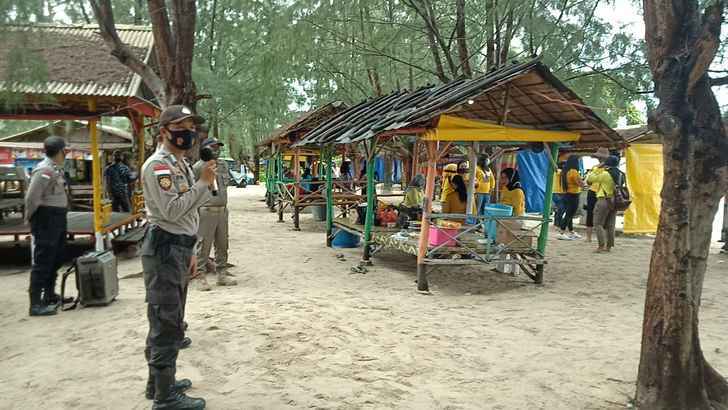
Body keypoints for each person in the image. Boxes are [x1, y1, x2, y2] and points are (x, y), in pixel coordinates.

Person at [140, 105, 212, 409]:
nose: (188, 131)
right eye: (181, 125)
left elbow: (188, 215)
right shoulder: (158, 166)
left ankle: (158, 383)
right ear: (164, 132)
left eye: (190, 125)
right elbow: (171, 210)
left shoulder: (180, 163)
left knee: (170, 317)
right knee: (166, 321)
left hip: (179, 248)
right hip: (165, 248)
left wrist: (192, 251)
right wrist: (203, 184)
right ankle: (165, 397)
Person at [25, 136, 69, 316]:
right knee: (43, 260)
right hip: (46, 219)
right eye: (64, 150)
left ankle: (50, 294)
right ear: (60, 151)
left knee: (56, 257)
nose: (65, 153)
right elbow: (31, 198)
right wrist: (30, 218)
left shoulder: (55, 169)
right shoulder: (44, 170)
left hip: (57, 218)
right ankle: (35, 303)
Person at [192, 138, 237, 291]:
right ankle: (200, 276)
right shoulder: (198, 167)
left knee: (223, 243)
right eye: (212, 147)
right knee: (203, 245)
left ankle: (222, 273)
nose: (216, 150)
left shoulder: (223, 165)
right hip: (206, 210)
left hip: (222, 210)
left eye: (218, 147)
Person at [587, 155, 619, 253]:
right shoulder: (621, 173)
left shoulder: (606, 174)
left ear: (607, 164)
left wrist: (597, 168)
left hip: (604, 200)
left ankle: (601, 246)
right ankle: (608, 246)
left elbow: (591, 178)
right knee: (610, 224)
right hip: (615, 201)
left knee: (598, 223)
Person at [584, 148, 610, 243]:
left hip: (597, 192)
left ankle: (589, 237)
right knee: (597, 214)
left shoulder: (597, 168)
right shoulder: (601, 168)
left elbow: (589, 181)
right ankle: (592, 237)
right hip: (599, 192)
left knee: (593, 214)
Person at [557, 156, 583, 240]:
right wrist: (585, 182)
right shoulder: (574, 172)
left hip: (566, 194)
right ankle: (561, 231)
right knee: (570, 214)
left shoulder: (565, 171)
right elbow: (580, 183)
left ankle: (571, 231)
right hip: (574, 194)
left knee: (569, 213)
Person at [552, 161, 566, 229]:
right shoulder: (559, 171)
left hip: (560, 192)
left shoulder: (561, 172)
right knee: (561, 208)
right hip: (557, 192)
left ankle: (556, 223)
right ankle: (557, 224)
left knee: (560, 208)